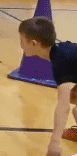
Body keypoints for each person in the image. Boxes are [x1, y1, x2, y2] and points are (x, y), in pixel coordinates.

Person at [18, 17, 77, 156]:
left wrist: (54, 142)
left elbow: (63, 107)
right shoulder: (62, 52)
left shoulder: (61, 61)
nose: (20, 44)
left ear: (33, 43)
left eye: (21, 40)